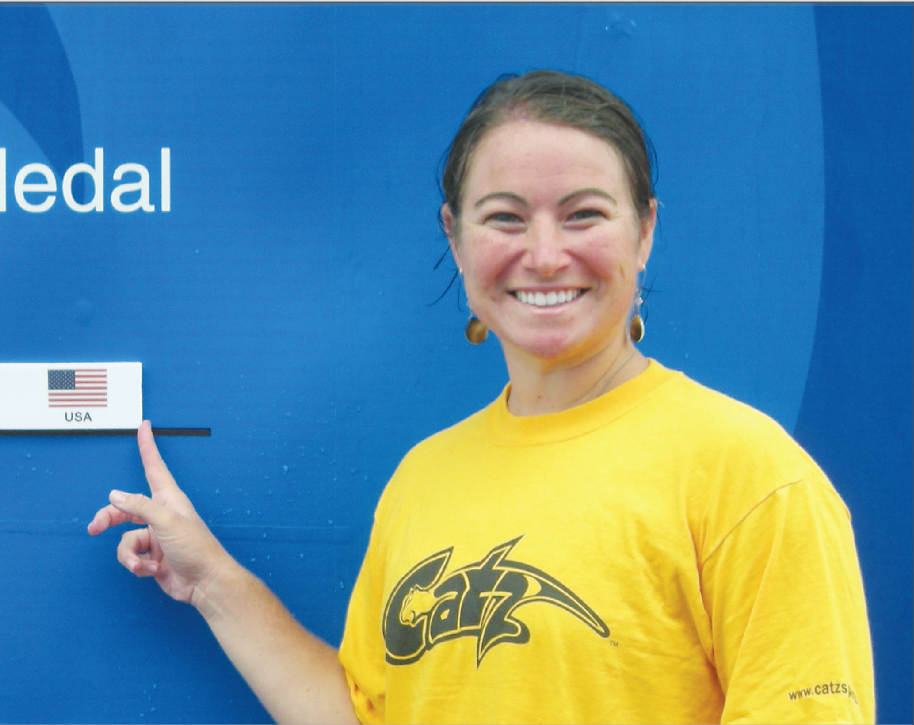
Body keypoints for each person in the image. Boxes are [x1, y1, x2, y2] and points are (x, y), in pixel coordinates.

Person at [87, 70, 874, 724]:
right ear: (455, 239)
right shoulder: (423, 479)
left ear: (643, 233)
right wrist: (213, 582)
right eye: (503, 218)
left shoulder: (751, 477)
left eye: (583, 214)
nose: (543, 253)